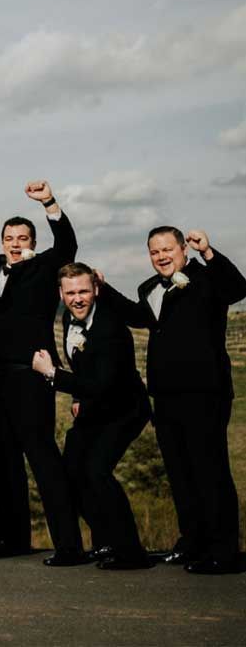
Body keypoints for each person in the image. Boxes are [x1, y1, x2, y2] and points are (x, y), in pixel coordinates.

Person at [99, 227, 246, 574]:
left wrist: (209, 252)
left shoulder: (207, 278)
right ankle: (192, 542)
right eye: (154, 251)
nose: (161, 256)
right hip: (164, 397)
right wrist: (103, 290)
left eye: (168, 249)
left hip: (204, 393)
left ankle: (223, 552)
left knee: (209, 472)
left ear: (183, 249)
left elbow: (238, 288)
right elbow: (138, 317)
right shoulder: (148, 288)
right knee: (180, 473)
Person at [0, 182, 84, 565]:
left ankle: (69, 546)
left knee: (42, 459)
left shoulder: (45, 267)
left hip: (31, 376)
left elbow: (68, 246)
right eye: (9, 238)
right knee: (5, 461)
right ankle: (13, 540)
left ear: (32, 241)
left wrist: (49, 203)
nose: (14, 243)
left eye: (21, 237)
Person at [30, 262, 152, 570]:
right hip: (94, 408)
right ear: (61, 294)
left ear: (96, 289)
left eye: (83, 291)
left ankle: (130, 552)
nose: (77, 298)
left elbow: (102, 384)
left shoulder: (110, 329)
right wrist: (77, 397)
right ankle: (108, 539)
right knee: (70, 472)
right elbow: (86, 372)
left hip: (125, 409)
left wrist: (52, 375)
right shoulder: (70, 320)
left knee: (97, 471)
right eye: (70, 292)